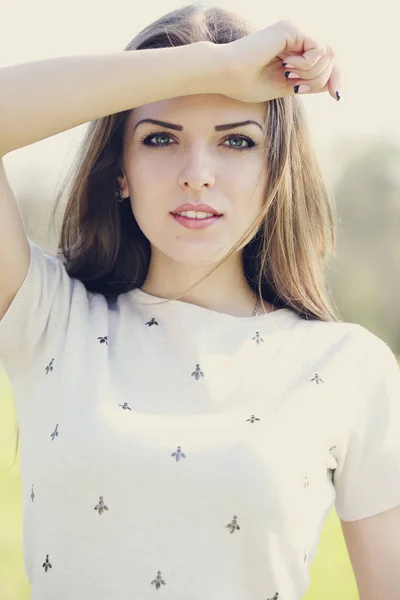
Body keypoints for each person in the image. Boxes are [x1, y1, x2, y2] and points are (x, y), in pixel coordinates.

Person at [0, 3, 399, 600]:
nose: (197, 173)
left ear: (276, 170)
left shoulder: (347, 367)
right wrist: (214, 66)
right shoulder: (48, 317)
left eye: (236, 141)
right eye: (160, 138)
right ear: (120, 172)